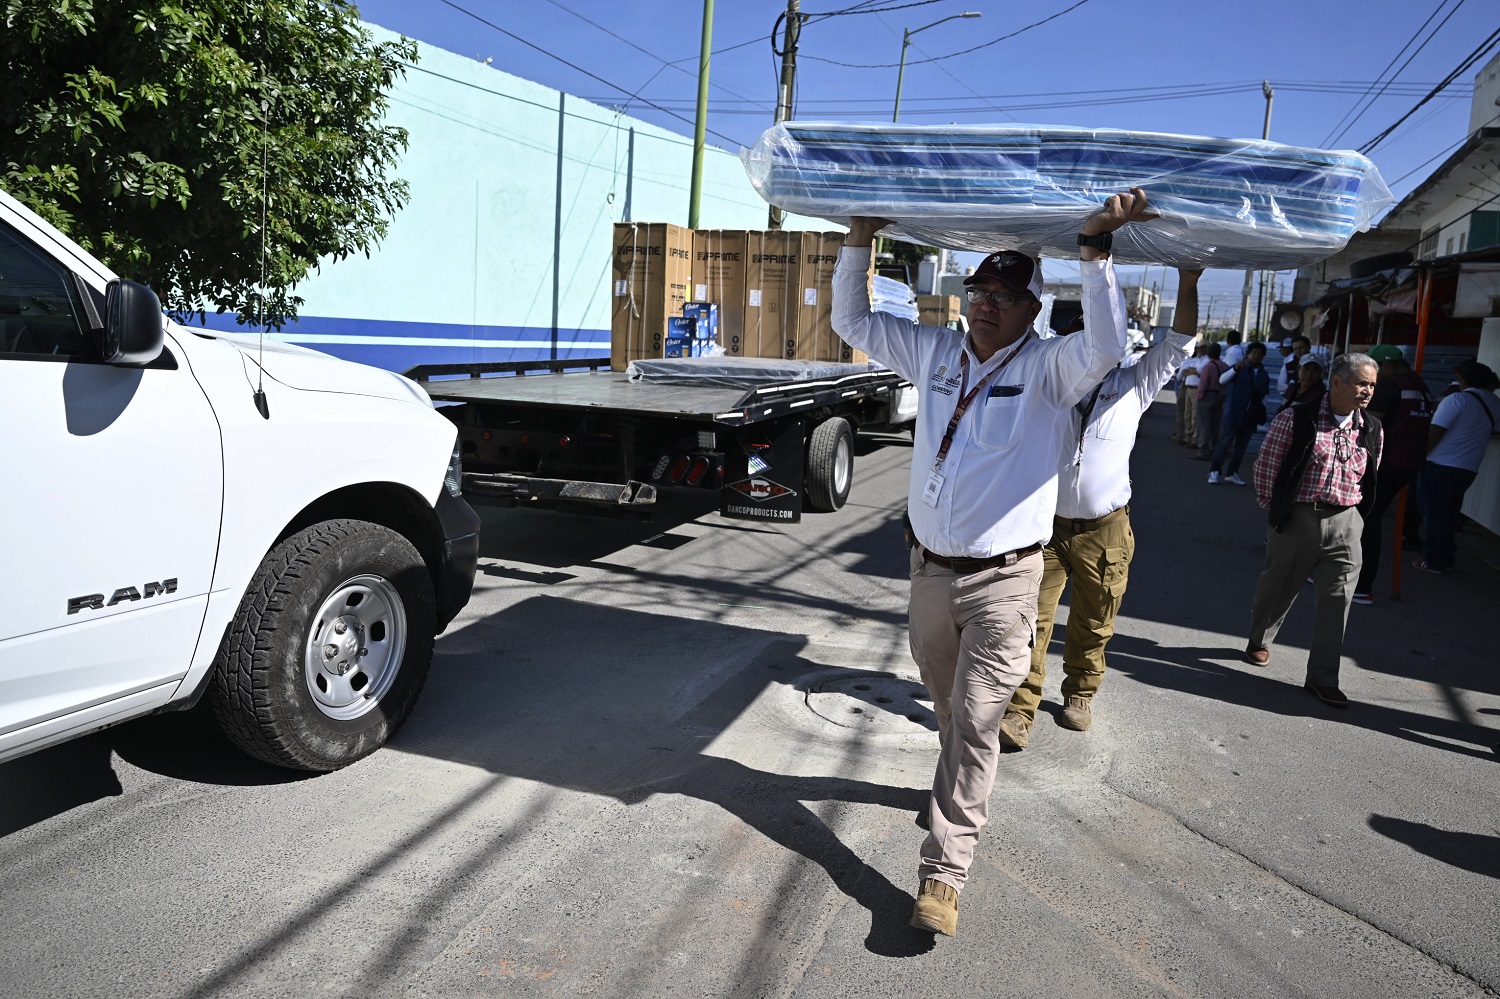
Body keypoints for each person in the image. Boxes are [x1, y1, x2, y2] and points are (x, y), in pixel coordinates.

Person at [832, 188, 1157, 939]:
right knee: (949, 710)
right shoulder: (936, 351)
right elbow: (852, 321)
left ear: (1032, 310)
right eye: (979, 291)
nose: (986, 306)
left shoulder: (1050, 368)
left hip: (1007, 579)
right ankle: (955, 782)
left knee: (977, 723)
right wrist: (859, 237)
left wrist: (1095, 249)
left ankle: (942, 874)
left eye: (1006, 296)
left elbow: (1107, 347)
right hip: (929, 572)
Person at [999, 268, 1200, 750]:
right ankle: (1020, 709)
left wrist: (1189, 281)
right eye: (1077, 347)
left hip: (1104, 530)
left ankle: (1080, 694)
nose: (1086, 357)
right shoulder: (1048, 386)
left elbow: (1179, 342)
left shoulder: (1134, 383)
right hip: (1043, 528)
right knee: (1030, 621)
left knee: (1095, 619)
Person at [1245, 353, 1382, 708]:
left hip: (1347, 522)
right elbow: (1266, 468)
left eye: (1371, 385)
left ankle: (1322, 678)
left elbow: (1371, 475)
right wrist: (1276, 514)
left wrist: (1356, 520)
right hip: (1298, 518)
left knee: (1338, 601)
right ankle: (1259, 639)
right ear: (1336, 381)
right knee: (1280, 587)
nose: (1367, 391)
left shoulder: (1371, 428)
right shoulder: (1297, 418)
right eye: (1361, 383)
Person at [1353, 344, 1432, 602]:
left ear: (1385, 366)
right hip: (1409, 463)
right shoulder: (1421, 387)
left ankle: (1362, 585)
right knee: (1367, 518)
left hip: (1384, 463)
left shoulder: (1389, 387)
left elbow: (1369, 426)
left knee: (1366, 519)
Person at [1414, 360, 1500, 574]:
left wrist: (1417, 456)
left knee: (1434, 514)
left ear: (1463, 379)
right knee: (1449, 515)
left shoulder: (1457, 399)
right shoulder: (1494, 402)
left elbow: (1435, 432)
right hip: (1468, 467)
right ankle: (1446, 555)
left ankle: (1434, 560)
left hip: (1440, 465)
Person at [1207, 341, 1270, 486]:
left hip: (1250, 417)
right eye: (1254, 353)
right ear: (1247, 354)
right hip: (1233, 413)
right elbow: (1222, 380)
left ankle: (1232, 473)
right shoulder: (1239, 369)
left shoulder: (1263, 374)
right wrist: (1235, 369)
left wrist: (1261, 412)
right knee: (1224, 444)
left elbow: (1265, 395)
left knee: (1240, 447)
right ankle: (1214, 471)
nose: (1256, 356)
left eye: (1259, 354)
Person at [1193, 342, 1229, 460]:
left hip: (1207, 395)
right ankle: (1215, 448)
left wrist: (1199, 396)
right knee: (1216, 425)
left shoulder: (1208, 367)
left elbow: (1203, 384)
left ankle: (1203, 450)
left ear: (1208, 353)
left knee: (1204, 424)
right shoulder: (1225, 366)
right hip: (1219, 396)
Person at [1173, 343, 1204, 446]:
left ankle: (1187, 436)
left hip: (1190, 387)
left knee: (1189, 413)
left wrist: (1191, 371)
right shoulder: (1190, 360)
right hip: (1185, 385)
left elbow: (1191, 372)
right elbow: (1183, 372)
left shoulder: (1198, 361)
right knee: (1185, 413)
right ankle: (1182, 435)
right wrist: (1192, 371)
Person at [1282, 336, 1312, 404]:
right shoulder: (1288, 365)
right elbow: (1280, 386)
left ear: (1309, 347)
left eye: (1301, 348)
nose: (1298, 351)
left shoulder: (1317, 365)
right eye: (1295, 349)